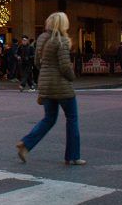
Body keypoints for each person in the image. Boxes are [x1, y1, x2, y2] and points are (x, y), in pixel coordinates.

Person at [16, 12, 86, 167]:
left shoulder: (41, 39)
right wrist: (72, 76)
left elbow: (37, 62)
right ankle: (73, 156)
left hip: (45, 84)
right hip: (61, 86)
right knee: (72, 119)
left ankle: (26, 144)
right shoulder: (61, 41)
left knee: (49, 119)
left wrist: (47, 70)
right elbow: (64, 66)